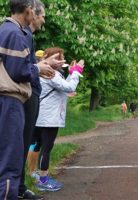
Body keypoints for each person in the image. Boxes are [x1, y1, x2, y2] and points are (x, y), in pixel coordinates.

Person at [0, 0, 55, 199]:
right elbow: (19, 70)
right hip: (10, 100)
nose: (41, 18)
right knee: (11, 160)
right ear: (29, 10)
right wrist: (38, 68)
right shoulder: (15, 33)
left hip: (9, 101)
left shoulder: (6, 30)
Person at [34, 47, 84, 192]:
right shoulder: (50, 72)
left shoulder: (48, 71)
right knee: (46, 148)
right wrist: (76, 71)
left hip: (44, 116)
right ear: (47, 57)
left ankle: (40, 176)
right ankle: (43, 180)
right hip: (49, 118)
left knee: (42, 147)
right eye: (57, 58)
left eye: (62, 58)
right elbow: (69, 87)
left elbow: (63, 87)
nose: (61, 61)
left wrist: (71, 73)